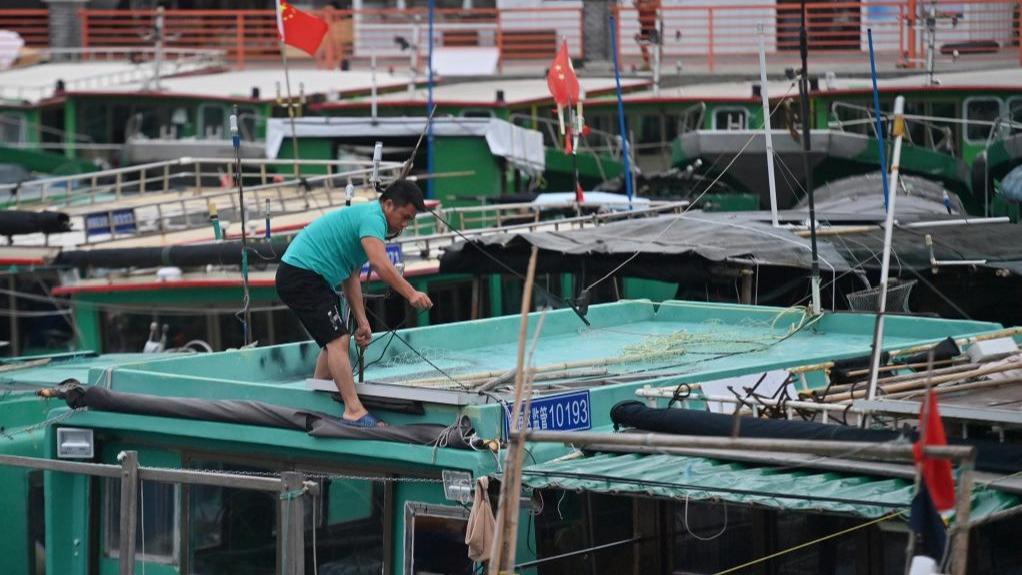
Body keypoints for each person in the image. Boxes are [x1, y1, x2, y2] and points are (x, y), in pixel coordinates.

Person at [275, 180, 433, 427]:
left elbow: (351, 277)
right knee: (338, 339)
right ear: (388, 204)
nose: (404, 225)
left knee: (334, 341)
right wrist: (411, 293)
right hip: (301, 274)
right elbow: (381, 265)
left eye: (409, 221)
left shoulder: (368, 222)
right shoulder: (373, 218)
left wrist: (362, 320)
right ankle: (353, 410)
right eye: (404, 217)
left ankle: (317, 398)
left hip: (312, 278)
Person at [634, 0, 661, 70]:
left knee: (656, 45)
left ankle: (657, 65)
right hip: (644, 25)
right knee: (642, 44)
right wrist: (642, 5)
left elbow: (656, 5)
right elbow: (636, 5)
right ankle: (647, 63)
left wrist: (645, 5)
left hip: (653, 25)